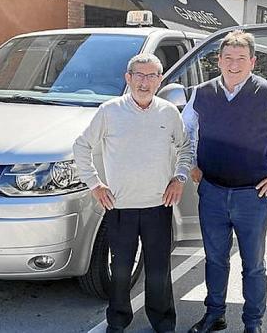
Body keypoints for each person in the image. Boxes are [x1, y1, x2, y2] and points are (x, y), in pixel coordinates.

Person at [183, 30, 267, 333]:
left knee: (253, 265)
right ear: (218, 60)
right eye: (228, 57)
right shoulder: (201, 93)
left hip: (251, 197)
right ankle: (214, 314)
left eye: (241, 58)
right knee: (215, 260)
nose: (234, 64)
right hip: (213, 193)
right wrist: (191, 163)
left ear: (253, 62)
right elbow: (184, 131)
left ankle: (252, 323)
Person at [73, 53, 192, 333]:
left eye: (152, 76)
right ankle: (118, 320)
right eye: (139, 75)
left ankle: (163, 321)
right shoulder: (109, 111)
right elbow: (81, 147)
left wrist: (180, 177)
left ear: (160, 80)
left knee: (158, 271)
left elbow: (185, 148)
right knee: (121, 271)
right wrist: (95, 184)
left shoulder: (168, 112)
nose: (144, 82)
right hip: (120, 207)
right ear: (128, 78)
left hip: (157, 206)